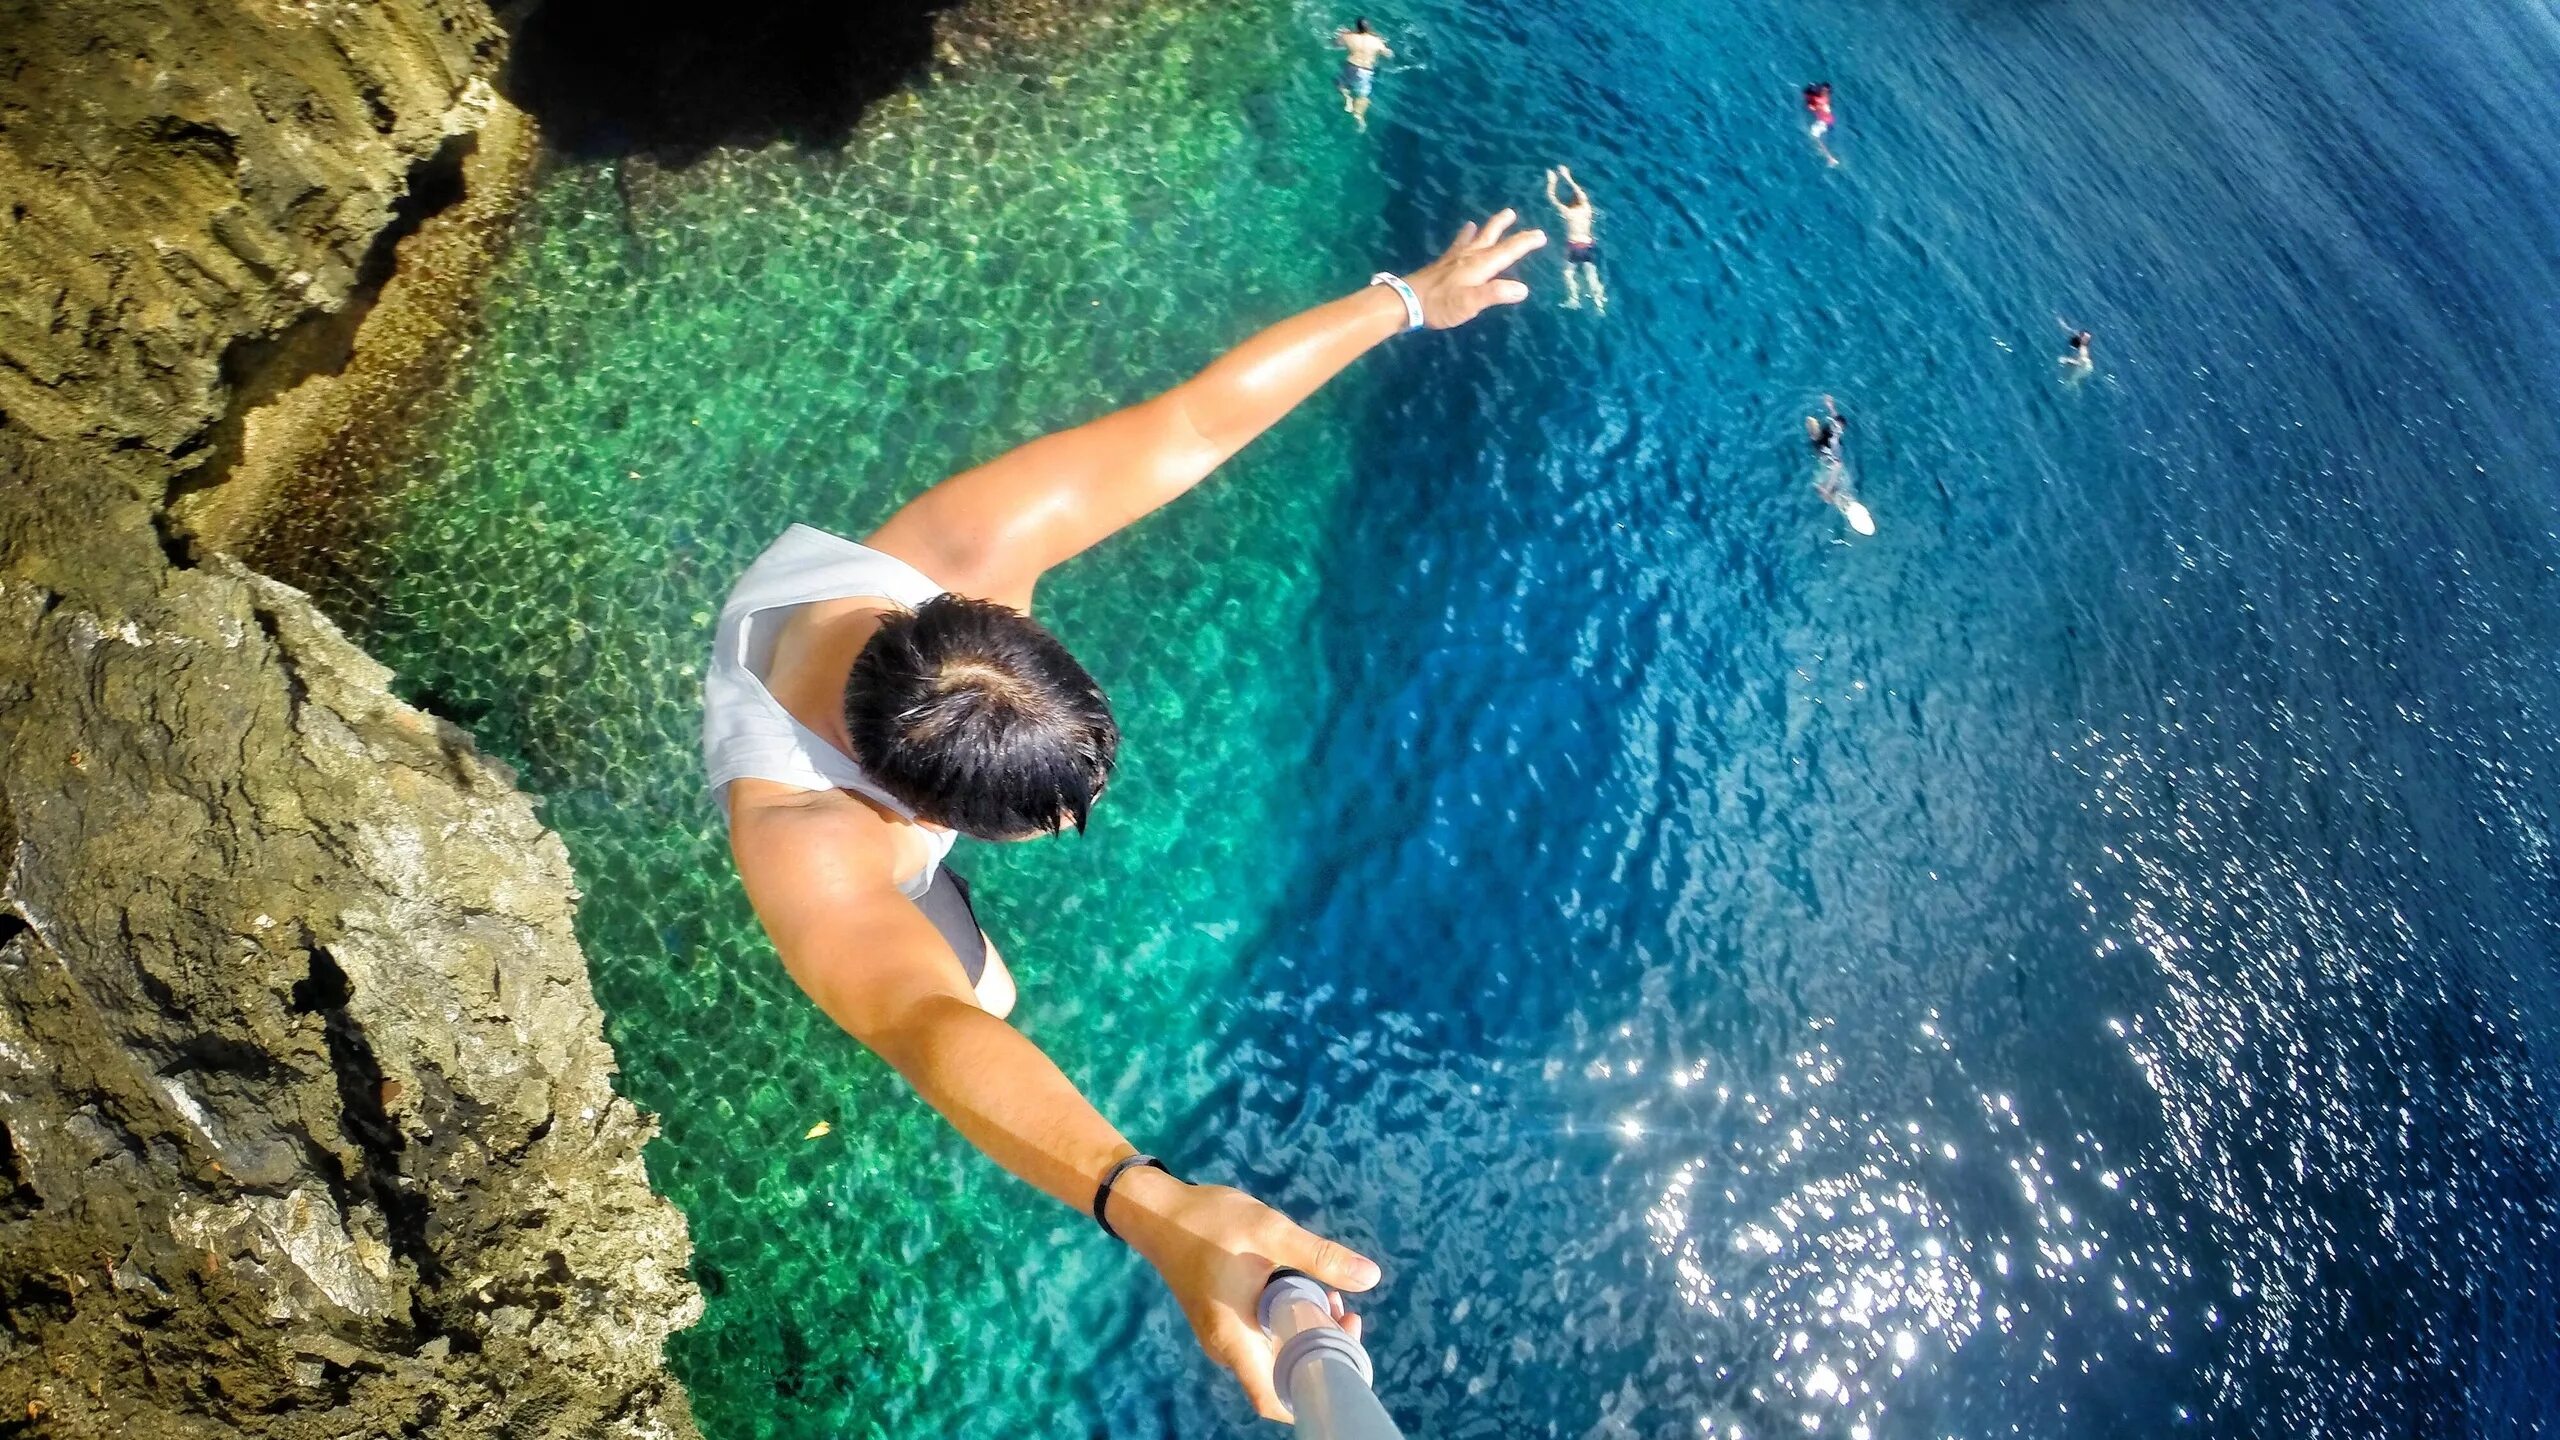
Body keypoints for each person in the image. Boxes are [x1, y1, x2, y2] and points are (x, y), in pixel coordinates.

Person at [704, 210, 1545, 1420]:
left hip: (860, 697)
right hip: (845, 814)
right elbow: (921, 1025)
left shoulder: (962, 552)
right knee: (980, 996)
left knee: (986, 995)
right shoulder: (813, 838)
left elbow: (1197, 420)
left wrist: (1409, 299)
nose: (1065, 827)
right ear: (918, 810)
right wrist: (1147, 1207)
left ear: (1005, 624)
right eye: (1045, 822)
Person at [1805, 394, 1875, 534]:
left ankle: (1846, 506)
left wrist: (1827, 489)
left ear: (1813, 433)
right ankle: (1848, 504)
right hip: (1833, 464)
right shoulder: (1824, 433)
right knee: (1832, 489)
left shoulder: (1823, 442)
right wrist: (1831, 407)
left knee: (1829, 491)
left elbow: (1835, 464)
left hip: (1833, 465)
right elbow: (1837, 424)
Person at [1544, 166, 1607, 313]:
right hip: (1588, 245)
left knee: (1568, 273)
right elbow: (1581, 193)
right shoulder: (1587, 209)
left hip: (1574, 247)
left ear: (1570, 202)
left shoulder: (1567, 212)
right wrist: (1568, 176)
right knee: (1591, 273)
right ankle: (1599, 303)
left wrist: (1552, 181)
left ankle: (1574, 299)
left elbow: (1551, 197)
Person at [1335, 18, 1393, 132]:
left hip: (1351, 66)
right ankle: (1359, 116)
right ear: (1369, 28)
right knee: (1363, 96)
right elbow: (1388, 54)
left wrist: (1343, 34)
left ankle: (1347, 98)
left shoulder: (1348, 36)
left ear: (1356, 27)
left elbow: (1336, 43)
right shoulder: (1376, 40)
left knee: (1340, 83)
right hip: (1366, 71)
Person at [1804, 82, 1839, 167]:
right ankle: (1826, 153)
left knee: (1814, 135)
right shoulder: (1825, 98)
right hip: (1828, 121)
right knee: (1817, 135)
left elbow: (1811, 104)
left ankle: (1829, 157)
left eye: (1823, 89)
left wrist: (1810, 90)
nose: (1821, 90)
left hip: (1824, 121)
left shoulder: (1820, 99)